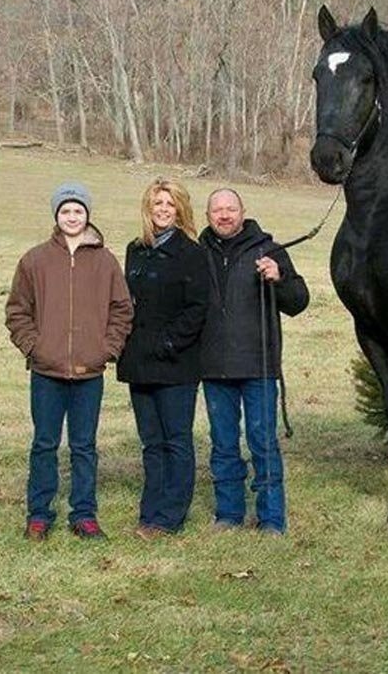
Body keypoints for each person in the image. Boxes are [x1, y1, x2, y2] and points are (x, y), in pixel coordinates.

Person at [5, 181, 133, 541]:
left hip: (89, 371)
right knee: (44, 443)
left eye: (78, 211)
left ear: (87, 215)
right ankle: (39, 514)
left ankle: (84, 514)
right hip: (47, 371)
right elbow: (17, 311)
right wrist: (35, 347)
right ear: (56, 216)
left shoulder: (106, 262)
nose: (72, 216)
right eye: (65, 211)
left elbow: (122, 310)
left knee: (84, 445)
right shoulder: (35, 260)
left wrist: (106, 350)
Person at [199, 188, 309, 535]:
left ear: (243, 212)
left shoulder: (269, 249)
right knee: (223, 444)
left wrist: (280, 278)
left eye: (231, 209)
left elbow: (299, 301)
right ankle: (229, 514)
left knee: (262, 442)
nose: (224, 215)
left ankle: (272, 519)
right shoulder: (197, 253)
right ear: (208, 216)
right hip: (214, 367)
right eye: (217, 210)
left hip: (258, 366)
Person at [117, 179, 210, 540]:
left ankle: (170, 516)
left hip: (176, 364)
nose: (163, 209)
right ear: (148, 207)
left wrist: (169, 342)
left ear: (180, 209)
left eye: (170, 204)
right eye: (158, 203)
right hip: (139, 362)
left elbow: (197, 308)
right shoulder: (135, 250)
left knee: (176, 440)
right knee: (151, 441)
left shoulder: (192, 253)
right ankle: (150, 510)